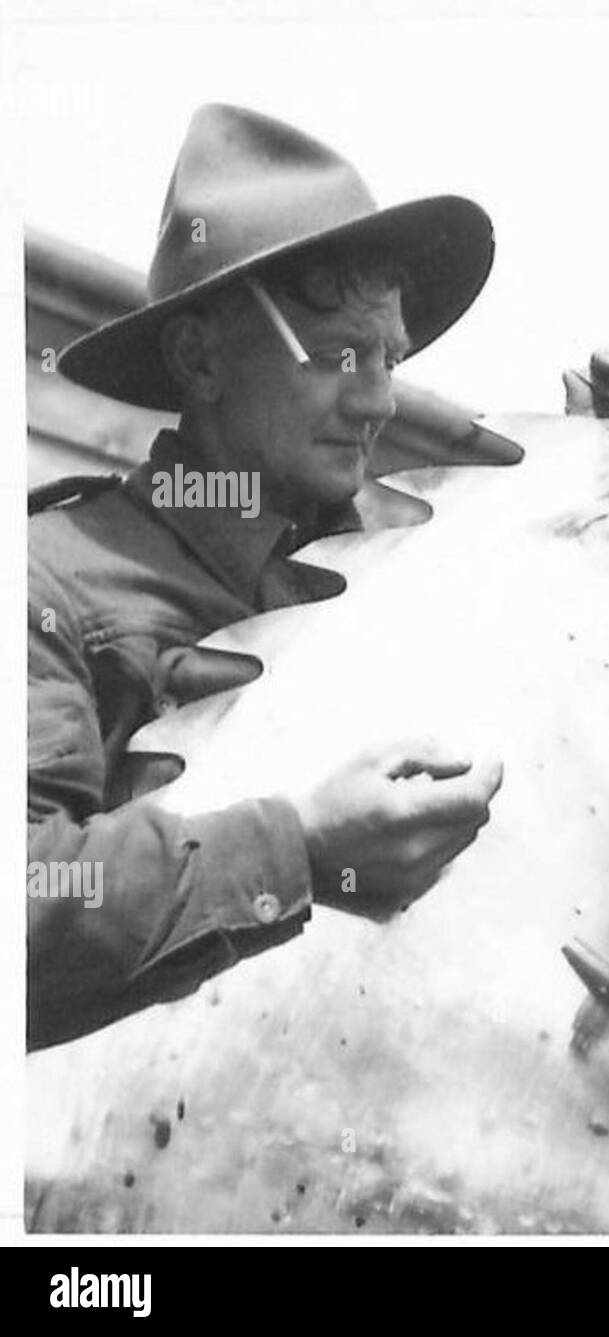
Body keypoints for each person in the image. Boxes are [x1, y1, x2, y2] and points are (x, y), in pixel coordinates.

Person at [28, 105, 505, 1050]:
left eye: (389, 360)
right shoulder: (50, 580)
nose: (375, 401)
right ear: (200, 357)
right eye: (336, 356)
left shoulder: (400, 594)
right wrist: (298, 849)